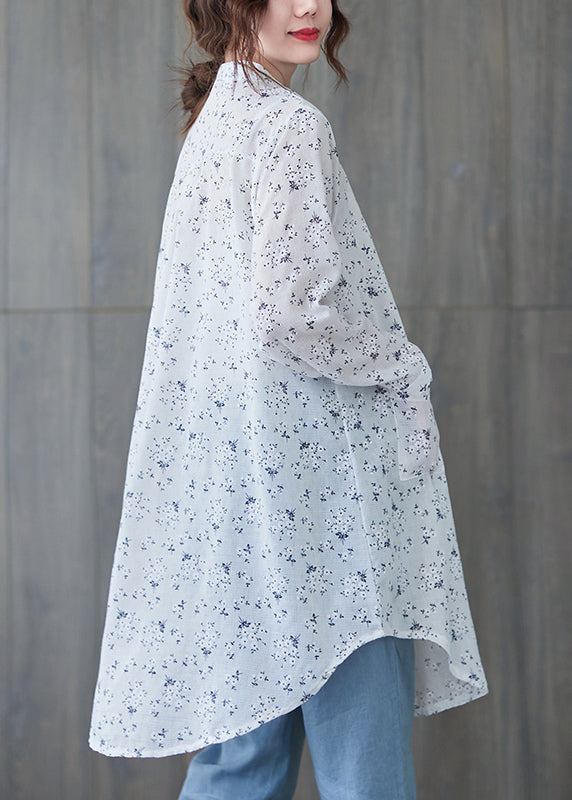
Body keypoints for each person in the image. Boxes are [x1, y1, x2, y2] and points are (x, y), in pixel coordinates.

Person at [88, 1, 489, 798]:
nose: (308, 6)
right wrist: (402, 364)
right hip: (327, 510)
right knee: (365, 768)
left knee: (240, 766)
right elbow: (288, 317)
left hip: (243, 507)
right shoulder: (289, 127)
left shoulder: (214, 122)